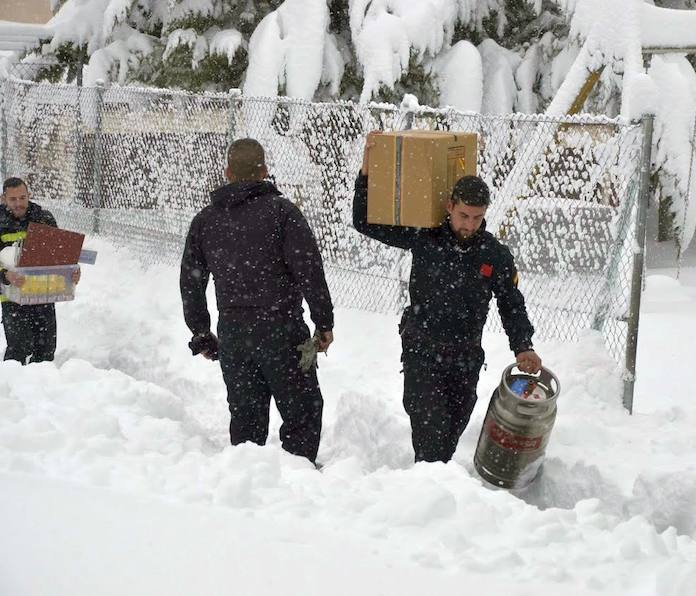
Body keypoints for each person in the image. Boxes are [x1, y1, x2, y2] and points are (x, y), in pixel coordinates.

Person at [353, 131, 542, 463]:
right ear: (449, 206)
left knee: (449, 437)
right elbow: (364, 222)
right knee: (431, 439)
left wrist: (523, 344)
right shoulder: (425, 237)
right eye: (463, 215)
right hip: (422, 351)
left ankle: (434, 494)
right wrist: (367, 171)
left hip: (464, 357)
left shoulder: (493, 255)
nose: (469, 224)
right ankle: (426, 496)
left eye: (477, 217)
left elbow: (511, 302)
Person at [180, 138, 334, 464]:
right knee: (303, 411)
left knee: (246, 419)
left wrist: (201, 332)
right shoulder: (283, 214)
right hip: (282, 330)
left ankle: (247, 482)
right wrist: (324, 323)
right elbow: (310, 271)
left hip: (234, 334)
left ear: (227, 172)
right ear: (264, 171)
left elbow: (191, 283)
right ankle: (298, 476)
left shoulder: (206, 221)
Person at [0, 177, 80, 364]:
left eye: (22, 197)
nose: (18, 203)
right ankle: (13, 387)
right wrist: (6, 275)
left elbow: (60, 257)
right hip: (11, 296)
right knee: (19, 348)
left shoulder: (44, 218)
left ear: (29, 195)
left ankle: (43, 389)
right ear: (4, 198)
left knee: (45, 350)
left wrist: (73, 272)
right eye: (13, 199)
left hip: (41, 292)